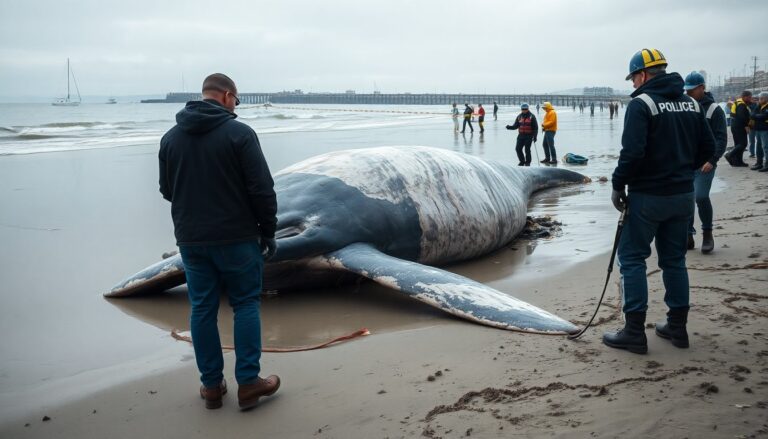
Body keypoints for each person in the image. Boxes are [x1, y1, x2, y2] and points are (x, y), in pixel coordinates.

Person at [159, 73, 281, 409]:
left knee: (201, 309)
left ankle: (212, 387)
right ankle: (248, 382)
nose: (236, 107)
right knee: (245, 304)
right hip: (237, 238)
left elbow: (167, 190)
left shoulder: (170, 139)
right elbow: (261, 189)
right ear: (227, 96)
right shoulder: (240, 134)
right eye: (237, 101)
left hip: (191, 240)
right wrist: (268, 231)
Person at [606, 49, 715, 355]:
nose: (632, 85)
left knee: (631, 259)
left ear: (642, 75)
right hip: (683, 195)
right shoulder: (692, 103)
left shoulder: (642, 103)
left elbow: (632, 153)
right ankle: (677, 328)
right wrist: (681, 170)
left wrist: (618, 184)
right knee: (674, 261)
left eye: (633, 78)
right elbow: (708, 147)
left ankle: (633, 332)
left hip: (648, 197)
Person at [683, 71, 727, 253]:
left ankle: (707, 234)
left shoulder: (714, 110)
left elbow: (721, 138)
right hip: (686, 163)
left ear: (702, 88)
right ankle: (687, 235)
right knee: (686, 200)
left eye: (692, 90)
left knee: (700, 196)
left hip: (705, 163)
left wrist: (712, 159)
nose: (688, 94)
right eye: (686, 90)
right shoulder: (685, 107)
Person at [724, 91, 753, 167]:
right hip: (740, 126)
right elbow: (742, 117)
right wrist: (746, 125)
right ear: (744, 97)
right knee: (743, 144)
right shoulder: (741, 105)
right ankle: (729, 154)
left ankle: (738, 161)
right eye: (749, 97)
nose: (750, 99)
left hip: (734, 125)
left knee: (738, 144)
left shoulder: (737, 103)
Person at [751, 92, 768, 172]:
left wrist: (757, 116)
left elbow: (765, 116)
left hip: (765, 130)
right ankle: (759, 163)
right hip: (758, 129)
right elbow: (752, 114)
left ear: (766, 98)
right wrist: (758, 116)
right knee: (759, 147)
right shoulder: (758, 106)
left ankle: (767, 165)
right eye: (759, 98)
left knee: (766, 147)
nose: (759, 100)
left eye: (761, 99)